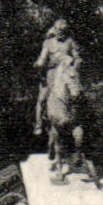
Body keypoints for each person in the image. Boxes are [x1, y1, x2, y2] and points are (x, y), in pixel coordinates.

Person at [33, 18, 83, 175]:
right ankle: (39, 123)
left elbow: (78, 57)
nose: (61, 33)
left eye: (63, 31)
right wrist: (40, 63)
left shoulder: (70, 42)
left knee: (78, 94)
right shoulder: (48, 43)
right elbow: (42, 57)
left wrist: (75, 65)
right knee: (42, 98)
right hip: (52, 73)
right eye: (58, 31)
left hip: (67, 73)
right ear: (54, 30)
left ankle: (81, 117)